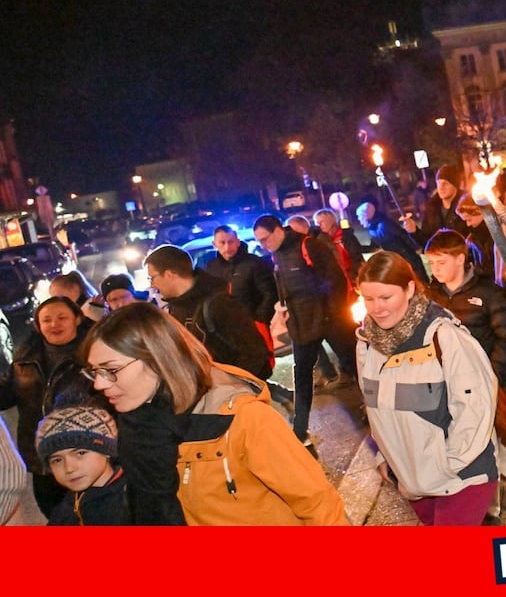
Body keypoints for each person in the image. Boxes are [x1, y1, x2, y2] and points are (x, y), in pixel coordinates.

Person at [81, 302, 348, 524]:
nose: (99, 384)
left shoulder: (245, 420)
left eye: (111, 370)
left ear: (157, 359)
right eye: (95, 371)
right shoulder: (134, 427)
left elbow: (320, 507)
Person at [355, 251, 499, 526]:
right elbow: (377, 406)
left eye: (386, 297)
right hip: (412, 478)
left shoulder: (443, 335)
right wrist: (385, 454)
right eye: (369, 299)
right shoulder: (366, 344)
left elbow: (476, 408)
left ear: (409, 289)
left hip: (460, 477)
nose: (377, 308)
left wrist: (449, 464)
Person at [424, 230, 506, 519]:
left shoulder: (488, 293)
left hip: (484, 384)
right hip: (445, 386)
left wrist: (492, 375)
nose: (435, 269)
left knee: (482, 446)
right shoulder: (430, 295)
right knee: (468, 444)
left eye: (440, 262)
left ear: (460, 259)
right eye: (431, 263)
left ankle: (490, 512)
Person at [253, 214, 358, 447]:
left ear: (278, 230)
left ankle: (379, 410)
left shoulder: (308, 244)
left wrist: (332, 314)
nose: (263, 244)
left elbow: (335, 280)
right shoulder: (276, 252)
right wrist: (283, 308)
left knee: (355, 363)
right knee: (302, 374)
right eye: (259, 241)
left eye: (265, 239)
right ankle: (300, 429)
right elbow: (283, 284)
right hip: (301, 322)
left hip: (328, 319)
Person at [0, 297, 94, 517]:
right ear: (38, 325)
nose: (54, 324)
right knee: (55, 517)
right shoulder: (24, 360)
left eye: (62, 318)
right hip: (42, 458)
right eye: (47, 320)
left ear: (78, 319)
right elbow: (5, 395)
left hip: (85, 454)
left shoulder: (92, 356)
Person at [144, 245, 272, 381]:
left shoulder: (218, 303)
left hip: (234, 394)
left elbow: (254, 353)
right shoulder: (176, 307)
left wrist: (230, 386)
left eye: (152, 278)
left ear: (170, 275)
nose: (152, 285)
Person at [34, 405, 129, 525]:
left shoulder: (133, 504)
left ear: (106, 451)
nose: (69, 468)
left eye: (81, 453)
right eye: (57, 460)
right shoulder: (68, 505)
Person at [206, 225, 279, 328]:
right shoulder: (212, 267)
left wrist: (259, 319)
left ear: (238, 242)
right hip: (227, 328)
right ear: (214, 244)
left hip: (255, 325)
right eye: (222, 243)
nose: (227, 247)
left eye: (230, 242)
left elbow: (270, 293)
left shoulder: (254, 263)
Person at [355, 198, 428, 283]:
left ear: (367, 215)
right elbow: (374, 246)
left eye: (360, 216)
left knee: (421, 281)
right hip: (396, 261)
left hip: (408, 257)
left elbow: (402, 235)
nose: (359, 220)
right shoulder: (372, 229)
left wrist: (416, 247)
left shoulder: (384, 224)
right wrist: (355, 247)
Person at [314, 208, 366, 285]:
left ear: (331, 222)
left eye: (321, 222)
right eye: (317, 222)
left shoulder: (347, 236)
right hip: (336, 281)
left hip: (354, 278)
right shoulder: (320, 240)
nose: (319, 225)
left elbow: (356, 256)